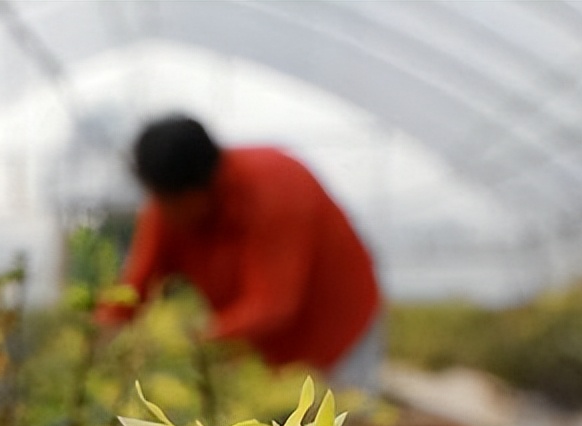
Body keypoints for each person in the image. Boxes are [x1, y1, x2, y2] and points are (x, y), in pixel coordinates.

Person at [95, 115, 383, 390]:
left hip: (338, 333)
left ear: (205, 181)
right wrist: (96, 339)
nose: (164, 211)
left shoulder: (277, 186)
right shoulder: (166, 207)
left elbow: (272, 305)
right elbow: (133, 290)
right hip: (265, 360)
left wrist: (188, 343)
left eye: (174, 201)